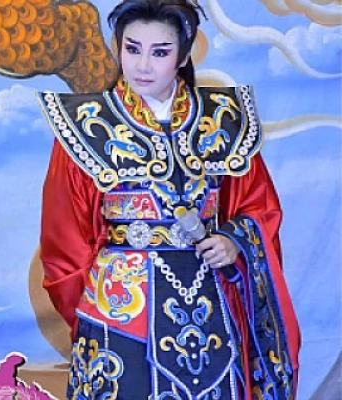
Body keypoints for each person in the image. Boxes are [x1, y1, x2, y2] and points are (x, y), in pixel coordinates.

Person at [37, 0, 300, 398]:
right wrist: (92, 316)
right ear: (117, 47)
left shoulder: (224, 120)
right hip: (120, 318)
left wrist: (234, 241)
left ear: (183, 55)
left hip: (213, 305)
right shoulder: (85, 127)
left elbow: (258, 207)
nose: (142, 65)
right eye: (132, 48)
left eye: (160, 52)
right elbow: (64, 243)